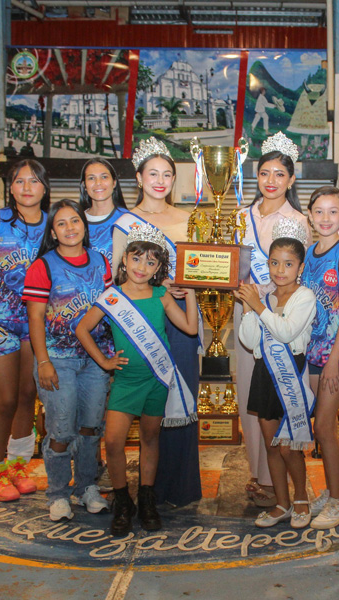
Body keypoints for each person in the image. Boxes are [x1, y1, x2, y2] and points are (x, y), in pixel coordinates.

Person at [76, 223, 199, 535]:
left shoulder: (161, 296)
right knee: (113, 441)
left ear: (158, 268)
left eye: (150, 262)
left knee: (150, 438)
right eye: (136, 258)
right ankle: (122, 501)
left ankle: (146, 499)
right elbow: (82, 328)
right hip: (126, 381)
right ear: (124, 260)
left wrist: (191, 293)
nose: (142, 266)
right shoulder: (112, 297)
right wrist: (104, 361)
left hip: (156, 380)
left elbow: (190, 328)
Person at [111, 137, 202, 507]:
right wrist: (158, 285)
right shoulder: (124, 223)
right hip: (143, 322)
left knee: (182, 399)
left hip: (181, 319)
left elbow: (199, 270)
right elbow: (117, 278)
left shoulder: (188, 219)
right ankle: (148, 487)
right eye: (153, 174)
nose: (160, 181)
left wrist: (189, 285)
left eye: (167, 174)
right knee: (150, 406)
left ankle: (179, 487)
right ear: (139, 177)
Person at [234, 131, 313, 508]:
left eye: (280, 174)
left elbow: (298, 274)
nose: (271, 180)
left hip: (283, 314)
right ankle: (259, 472)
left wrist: (266, 296)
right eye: (265, 173)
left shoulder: (299, 221)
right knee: (251, 397)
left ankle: (277, 483)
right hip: (247, 310)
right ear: (257, 175)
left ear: (291, 179)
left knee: (280, 393)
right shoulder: (240, 217)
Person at [24, 200, 113, 522]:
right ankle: (58, 493)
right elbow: (35, 318)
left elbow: (111, 309)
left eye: (75, 221)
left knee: (91, 428)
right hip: (58, 360)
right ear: (52, 232)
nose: (69, 228)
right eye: (61, 223)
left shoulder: (100, 262)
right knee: (61, 431)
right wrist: (43, 362)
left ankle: (87, 487)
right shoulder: (43, 266)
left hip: (94, 360)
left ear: (84, 226)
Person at [0, 159, 49, 502]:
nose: (27, 187)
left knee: (28, 397)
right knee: (5, 400)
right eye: (20, 181)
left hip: (36, 324)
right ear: (10, 186)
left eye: (34, 181)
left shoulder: (53, 224)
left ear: (45, 187)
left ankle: (19, 465)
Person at [302, 187, 339, 529]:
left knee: (323, 425)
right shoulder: (309, 252)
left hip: (334, 354)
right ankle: (331, 490)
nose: (326, 218)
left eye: (333, 211)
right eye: (319, 211)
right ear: (309, 216)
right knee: (322, 429)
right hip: (312, 349)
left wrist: (336, 357)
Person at [80, 157, 129, 266]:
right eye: (91, 178)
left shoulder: (128, 220)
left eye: (104, 177)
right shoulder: (76, 221)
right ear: (84, 185)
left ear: (114, 182)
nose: (98, 183)